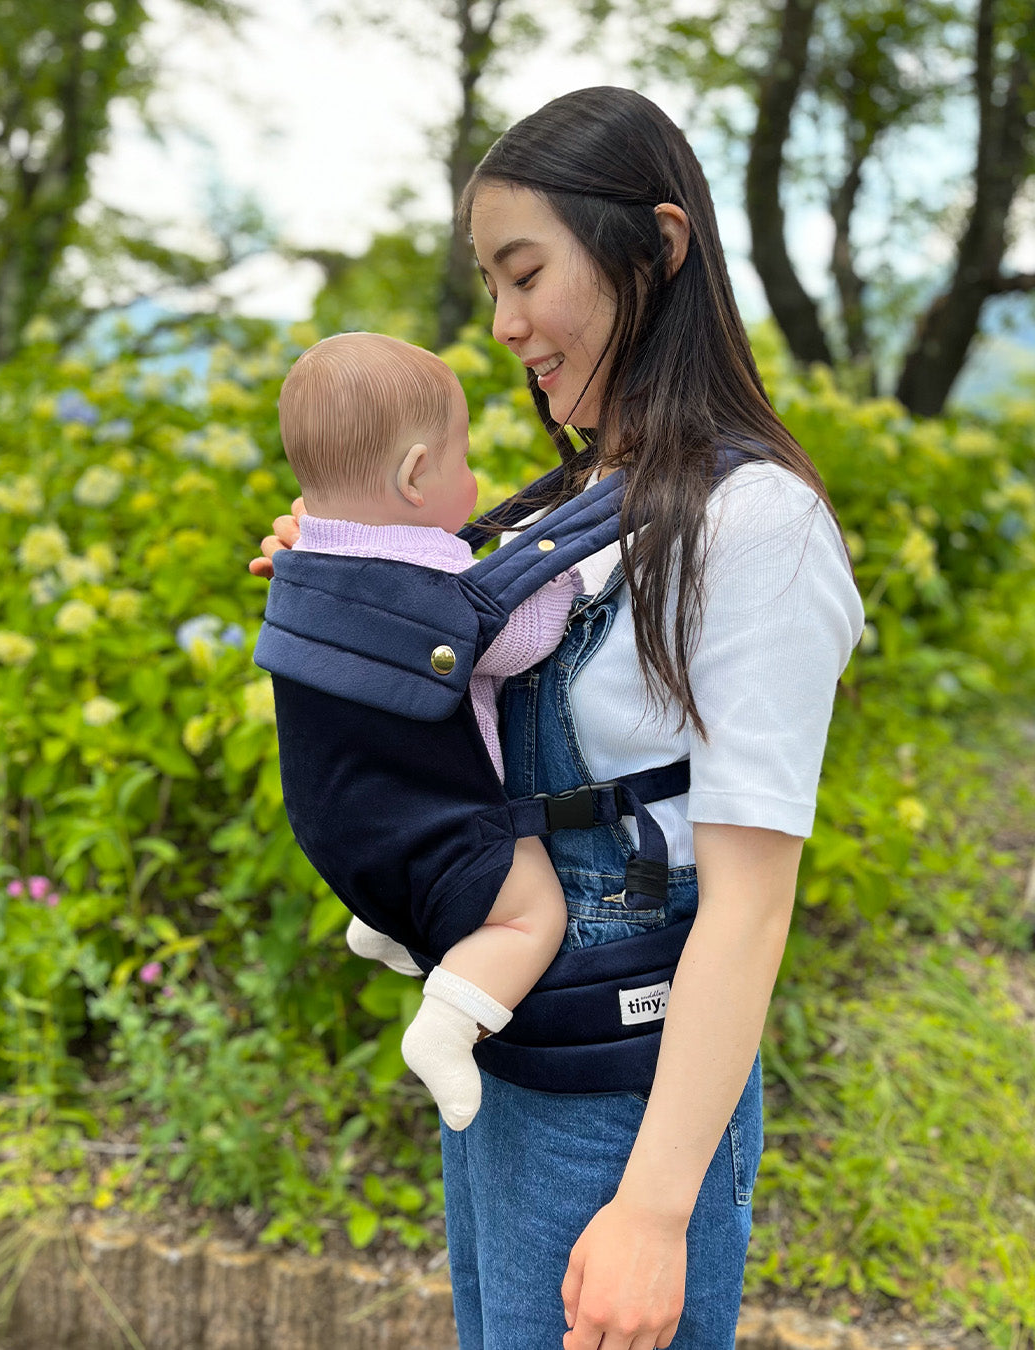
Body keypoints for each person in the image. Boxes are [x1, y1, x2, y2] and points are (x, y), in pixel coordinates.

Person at [251, 87, 863, 1350]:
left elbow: (749, 904)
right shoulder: (561, 509)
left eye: (525, 272)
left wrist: (652, 1209)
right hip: (518, 1072)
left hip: (626, 1100)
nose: (505, 323)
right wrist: (347, 582)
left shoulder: (760, 529)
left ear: (660, 244)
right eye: (489, 281)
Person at [276, 330, 581, 1131]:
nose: (475, 481)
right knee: (530, 914)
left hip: (336, 824)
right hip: (429, 831)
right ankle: (448, 1025)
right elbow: (521, 639)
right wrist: (568, 574)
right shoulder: (428, 577)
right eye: (463, 459)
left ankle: (385, 923)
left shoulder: (305, 555)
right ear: (416, 476)